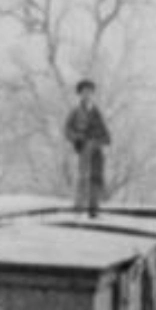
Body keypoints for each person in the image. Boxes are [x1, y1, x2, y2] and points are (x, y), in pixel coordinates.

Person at [63, 78, 111, 216]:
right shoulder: (75, 111)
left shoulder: (96, 111)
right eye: (84, 92)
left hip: (97, 147)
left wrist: (102, 140)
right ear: (80, 94)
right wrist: (77, 138)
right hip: (84, 147)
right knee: (83, 176)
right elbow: (67, 129)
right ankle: (78, 207)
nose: (87, 94)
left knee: (96, 177)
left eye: (90, 92)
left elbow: (106, 133)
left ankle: (93, 208)